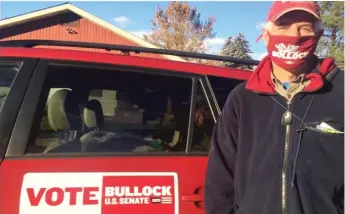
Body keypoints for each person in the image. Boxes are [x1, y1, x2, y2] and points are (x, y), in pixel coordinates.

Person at [205, 1, 344, 214]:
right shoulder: (242, 98)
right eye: (284, 25)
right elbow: (220, 180)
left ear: (318, 35)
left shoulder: (340, 92)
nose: (294, 35)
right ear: (267, 35)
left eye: (304, 28)